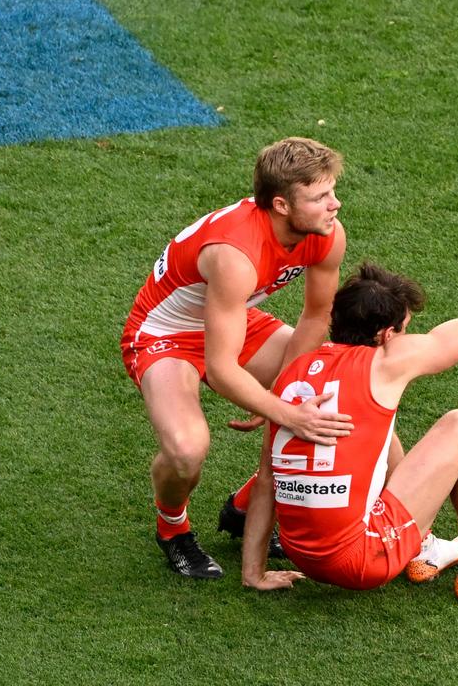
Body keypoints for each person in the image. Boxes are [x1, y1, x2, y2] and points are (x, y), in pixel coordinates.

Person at [240, 247, 458, 601]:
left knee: (378, 426)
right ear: (386, 335)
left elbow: (266, 480)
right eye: (404, 329)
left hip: (302, 553)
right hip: (359, 559)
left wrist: (254, 571)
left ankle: (420, 546)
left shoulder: (294, 372)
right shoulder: (387, 361)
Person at [121, 137, 354, 579]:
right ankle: (173, 528)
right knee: (187, 449)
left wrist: (284, 394)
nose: (334, 205)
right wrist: (283, 411)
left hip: (234, 319)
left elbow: (316, 315)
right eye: (320, 197)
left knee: (339, 394)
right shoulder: (234, 255)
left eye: (333, 191)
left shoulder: (325, 234)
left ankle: (246, 506)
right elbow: (224, 369)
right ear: (282, 205)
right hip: (165, 335)